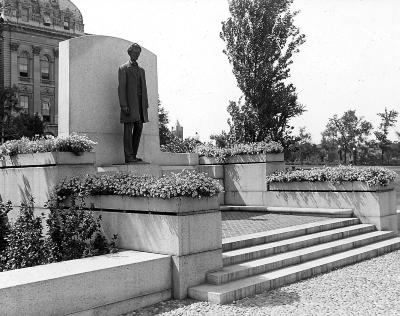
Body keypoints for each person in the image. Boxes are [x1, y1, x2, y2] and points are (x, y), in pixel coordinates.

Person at [118, 43, 149, 163]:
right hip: (130, 104)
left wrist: (145, 105)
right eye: (135, 53)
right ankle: (128, 156)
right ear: (130, 53)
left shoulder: (142, 70)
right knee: (128, 129)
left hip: (140, 104)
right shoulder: (123, 68)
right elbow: (121, 88)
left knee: (139, 128)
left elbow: (144, 88)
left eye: (138, 53)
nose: (137, 55)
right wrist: (123, 104)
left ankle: (133, 155)